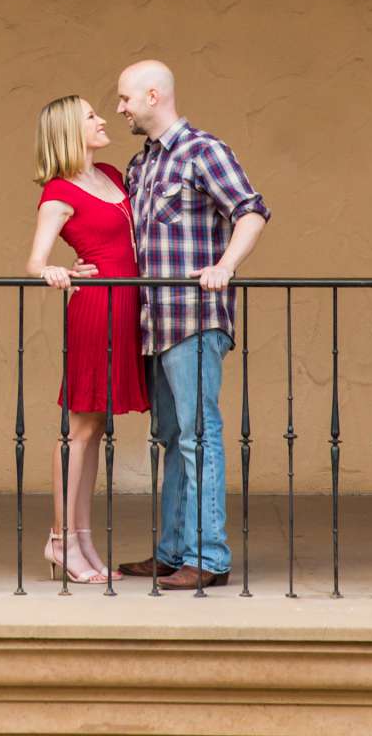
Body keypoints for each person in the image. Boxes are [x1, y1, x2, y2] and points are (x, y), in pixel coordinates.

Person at [105, 59, 268, 589]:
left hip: (194, 318)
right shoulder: (141, 165)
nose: (120, 107)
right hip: (154, 321)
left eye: (126, 98)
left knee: (200, 435)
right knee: (171, 437)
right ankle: (173, 552)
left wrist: (225, 266)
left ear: (154, 95)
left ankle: (209, 556)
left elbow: (251, 210)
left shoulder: (204, 151)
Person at [24, 93, 150, 585]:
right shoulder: (59, 192)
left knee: (95, 430)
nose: (103, 120)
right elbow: (34, 260)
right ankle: (59, 539)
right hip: (96, 309)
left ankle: (81, 538)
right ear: (69, 133)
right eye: (92, 117)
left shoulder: (114, 177)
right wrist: (56, 270)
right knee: (78, 429)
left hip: (127, 308)